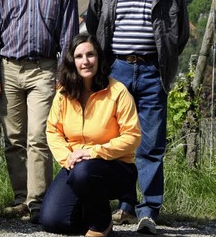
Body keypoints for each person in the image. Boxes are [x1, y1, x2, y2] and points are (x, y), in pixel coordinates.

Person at [86, 0, 189, 235]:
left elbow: (179, 34)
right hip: (116, 69)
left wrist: (163, 61)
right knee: (115, 139)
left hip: (152, 71)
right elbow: (94, 24)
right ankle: (125, 204)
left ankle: (149, 210)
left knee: (151, 143)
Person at [0, 0, 78, 223]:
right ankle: (19, 198)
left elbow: (69, 34)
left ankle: (38, 202)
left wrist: (65, 74)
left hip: (45, 69)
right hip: (8, 67)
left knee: (38, 136)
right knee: (13, 138)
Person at [39, 33, 141, 237]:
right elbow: (53, 130)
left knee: (84, 172)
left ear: (99, 58)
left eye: (90, 55)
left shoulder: (117, 91)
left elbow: (132, 136)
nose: (85, 61)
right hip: (75, 165)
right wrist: (67, 157)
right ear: (72, 61)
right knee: (52, 221)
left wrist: (93, 152)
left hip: (116, 167)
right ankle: (94, 213)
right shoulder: (63, 94)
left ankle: (100, 225)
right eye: (79, 56)